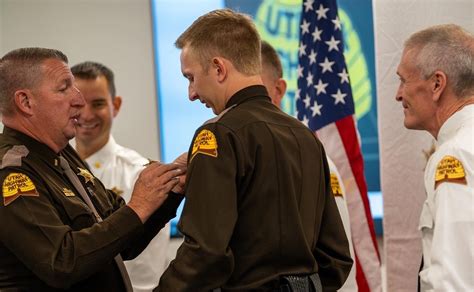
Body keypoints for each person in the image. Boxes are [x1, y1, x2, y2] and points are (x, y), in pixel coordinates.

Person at [157, 9, 352, 291]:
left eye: (191, 77)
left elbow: (205, 253)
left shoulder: (218, 135)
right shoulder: (305, 137)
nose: (191, 94)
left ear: (219, 68)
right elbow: (336, 258)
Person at [0, 47, 186, 291]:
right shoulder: (12, 172)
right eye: (64, 88)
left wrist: (171, 188)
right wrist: (138, 206)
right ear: (26, 102)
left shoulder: (64, 155)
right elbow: (61, 263)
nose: (79, 99)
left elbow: (124, 242)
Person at [260, 40, 358, 292]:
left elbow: (337, 259)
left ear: (279, 89)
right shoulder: (236, 156)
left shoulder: (312, 159)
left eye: (255, 89)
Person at [70, 61, 172, 292]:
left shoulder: (141, 175)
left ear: (115, 105)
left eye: (97, 104)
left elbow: (144, 269)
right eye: (79, 104)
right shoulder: (53, 172)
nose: (86, 115)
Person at [395, 24, 474, 291]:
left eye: (404, 80)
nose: (398, 94)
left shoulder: (455, 155)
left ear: (437, 84)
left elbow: (453, 278)